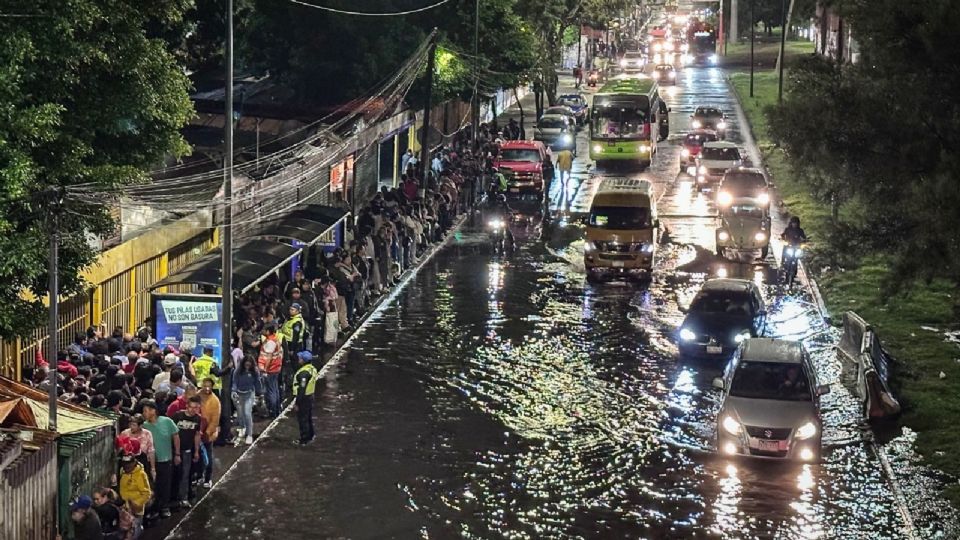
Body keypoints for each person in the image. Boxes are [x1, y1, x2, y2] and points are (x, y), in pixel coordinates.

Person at [141, 400, 177, 519]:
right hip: (151, 461)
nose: (144, 413)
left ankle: (165, 506)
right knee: (153, 485)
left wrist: (177, 453)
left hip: (165, 459)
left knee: (165, 484)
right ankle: (154, 507)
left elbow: (175, 437)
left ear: (153, 411)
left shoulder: (167, 422)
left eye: (146, 411)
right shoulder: (144, 426)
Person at [169, 395, 202, 508]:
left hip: (187, 451)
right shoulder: (177, 416)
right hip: (173, 451)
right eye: (191, 407)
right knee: (174, 474)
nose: (193, 410)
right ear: (186, 406)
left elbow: (197, 435)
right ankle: (172, 498)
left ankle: (183, 497)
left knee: (185, 475)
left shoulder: (198, 419)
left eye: (196, 407)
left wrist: (196, 451)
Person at [118, 455, 152, 537]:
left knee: (134, 533)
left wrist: (136, 504)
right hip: (124, 509)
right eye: (125, 464)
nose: (126, 466)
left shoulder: (141, 475)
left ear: (134, 463)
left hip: (135, 511)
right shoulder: (122, 471)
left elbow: (147, 493)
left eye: (128, 464)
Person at [232, 355, 262, 445]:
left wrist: (260, 393)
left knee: (247, 413)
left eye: (249, 364)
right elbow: (234, 382)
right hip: (238, 394)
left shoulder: (255, 372)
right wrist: (233, 391)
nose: (247, 365)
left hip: (249, 394)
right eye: (246, 363)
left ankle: (249, 434)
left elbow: (257, 382)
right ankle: (242, 427)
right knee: (240, 414)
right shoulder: (237, 371)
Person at [292, 350, 319, 445]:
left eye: (300, 358)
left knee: (303, 419)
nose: (298, 359)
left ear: (303, 360)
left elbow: (302, 389)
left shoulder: (303, 373)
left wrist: (297, 403)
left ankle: (304, 439)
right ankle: (311, 435)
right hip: (310, 396)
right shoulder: (311, 369)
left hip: (304, 398)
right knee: (308, 417)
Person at [198, 378, 220, 488]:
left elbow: (215, 420)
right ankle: (199, 476)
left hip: (207, 435)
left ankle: (207, 478)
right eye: (205, 385)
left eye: (209, 386)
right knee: (198, 458)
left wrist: (206, 432)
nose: (207, 388)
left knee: (208, 457)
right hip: (196, 433)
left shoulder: (215, 401)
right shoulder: (197, 396)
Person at [257, 324, 283, 418]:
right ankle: (276, 409)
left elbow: (269, 357)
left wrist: (265, 370)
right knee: (274, 389)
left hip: (271, 369)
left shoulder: (271, 342)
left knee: (271, 391)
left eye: (264, 330)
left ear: (268, 331)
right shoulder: (275, 339)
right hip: (276, 368)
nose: (263, 331)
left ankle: (273, 411)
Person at [120, 414, 156, 482]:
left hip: (142, 462)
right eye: (130, 424)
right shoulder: (125, 433)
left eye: (134, 425)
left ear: (140, 425)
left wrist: (153, 469)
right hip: (127, 464)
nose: (131, 427)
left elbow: (151, 451)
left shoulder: (147, 433)